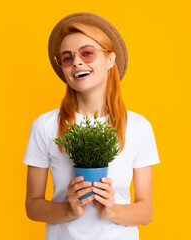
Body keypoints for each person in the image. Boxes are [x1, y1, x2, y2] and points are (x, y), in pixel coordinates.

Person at [23, 12, 160, 240]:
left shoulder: (138, 127)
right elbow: (32, 206)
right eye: (67, 58)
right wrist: (69, 209)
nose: (76, 62)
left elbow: (146, 211)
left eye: (87, 53)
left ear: (110, 59)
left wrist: (112, 210)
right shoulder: (45, 126)